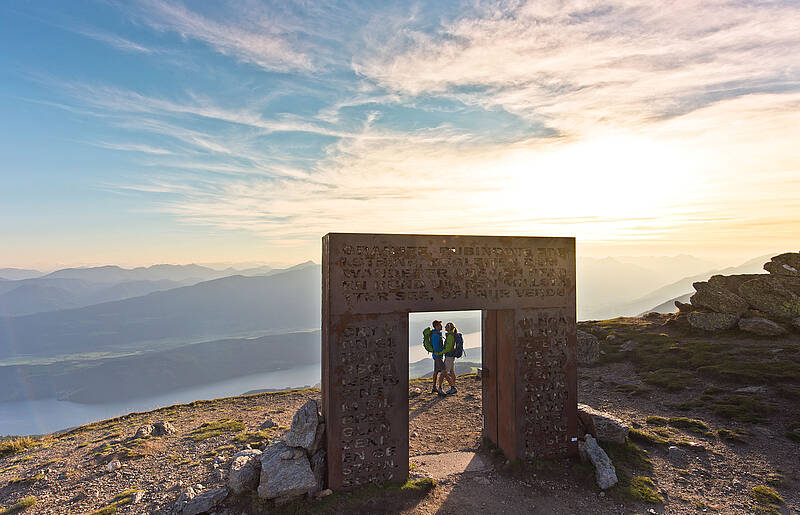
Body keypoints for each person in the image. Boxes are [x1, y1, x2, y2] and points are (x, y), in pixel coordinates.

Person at [439, 322, 458, 395]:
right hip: (451, 356)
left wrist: (439, 353)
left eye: (446, 326)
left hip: (449, 357)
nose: (444, 327)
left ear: (449, 328)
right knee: (452, 371)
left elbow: (448, 348)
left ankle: (451, 388)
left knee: (443, 372)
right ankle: (453, 386)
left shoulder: (450, 336)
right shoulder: (450, 335)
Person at [429, 320, 445, 394]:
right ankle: (440, 389)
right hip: (438, 356)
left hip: (437, 356)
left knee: (436, 371)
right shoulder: (435, 335)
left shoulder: (437, 334)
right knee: (443, 371)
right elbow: (436, 347)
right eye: (440, 325)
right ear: (436, 326)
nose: (441, 326)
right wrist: (441, 351)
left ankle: (434, 387)